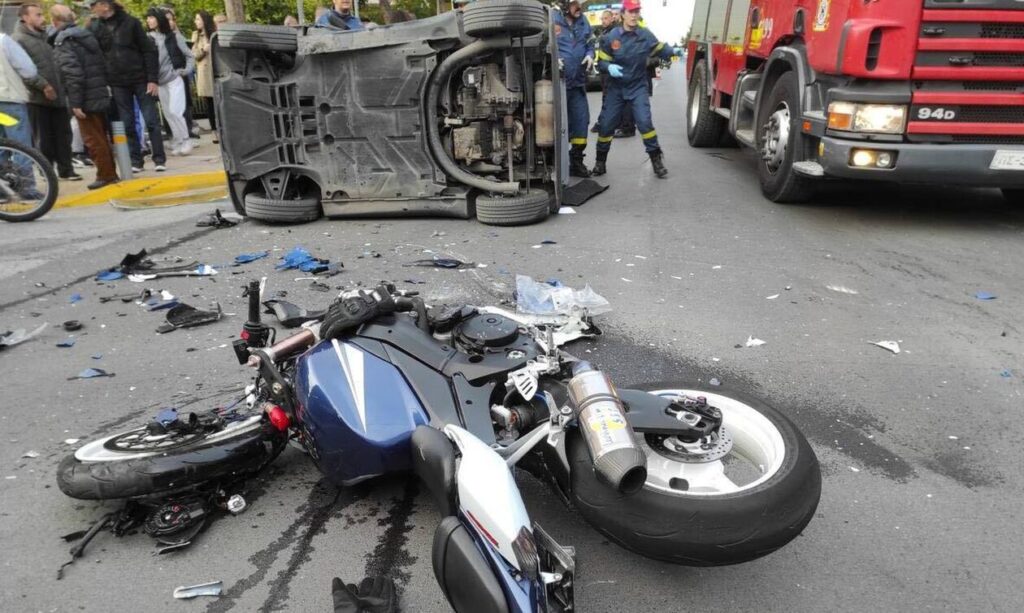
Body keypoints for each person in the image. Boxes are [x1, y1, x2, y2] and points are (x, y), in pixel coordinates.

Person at [593, 0, 678, 178]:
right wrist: (608, 67)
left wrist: (673, 51)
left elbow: (659, 48)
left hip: (638, 87)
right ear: (623, 14)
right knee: (606, 126)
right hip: (616, 89)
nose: (634, 15)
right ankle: (600, 162)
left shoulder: (645, 35)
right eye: (631, 12)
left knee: (645, 123)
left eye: (636, 12)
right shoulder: (612, 36)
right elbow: (601, 62)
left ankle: (656, 161)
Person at [87, 0, 167, 172]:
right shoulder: (95, 27)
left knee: (151, 120)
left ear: (105, 5)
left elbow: (148, 50)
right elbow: (96, 55)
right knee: (127, 123)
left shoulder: (131, 23)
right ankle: (136, 160)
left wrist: (152, 79)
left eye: (95, 4)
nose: (92, 8)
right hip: (117, 82)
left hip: (140, 79)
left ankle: (159, 159)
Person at [50, 4, 118, 190]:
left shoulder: (64, 41)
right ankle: (110, 172)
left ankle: (105, 175)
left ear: (54, 21)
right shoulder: (85, 35)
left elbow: (72, 74)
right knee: (101, 136)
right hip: (97, 91)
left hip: (85, 96)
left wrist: (75, 102)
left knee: (92, 139)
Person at [13, 2, 81, 181]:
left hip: (59, 95)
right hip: (37, 98)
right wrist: (43, 85)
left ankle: (67, 169)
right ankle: (47, 172)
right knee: (44, 139)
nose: (42, 18)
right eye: (37, 15)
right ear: (25, 17)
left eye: (42, 14)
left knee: (64, 135)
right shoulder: (18, 40)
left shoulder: (48, 36)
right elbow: (22, 70)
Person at [0, 31, 45, 199]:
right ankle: (25, 188)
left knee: (1, 146)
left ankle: (4, 188)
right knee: (21, 145)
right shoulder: (4, 41)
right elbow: (28, 70)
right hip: (9, 100)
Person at [145, 8, 194, 156]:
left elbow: (190, 55)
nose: (148, 20)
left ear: (159, 19)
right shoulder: (148, 38)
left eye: (151, 17)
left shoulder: (174, 36)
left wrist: (185, 70)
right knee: (168, 114)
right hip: (159, 82)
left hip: (174, 79)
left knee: (175, 111)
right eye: (147, 18)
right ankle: (178, 141)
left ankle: (187, 140)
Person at [553, 0, 593, 178]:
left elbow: (590, 43)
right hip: (559, 85)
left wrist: (590, 54)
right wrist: (553, 57)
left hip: (578, 84)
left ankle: (576, 161)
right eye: (576, 3)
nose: (580, 7)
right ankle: (554, 165)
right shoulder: (551, 19)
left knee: (581, 122)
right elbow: (541, 44)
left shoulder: (584, 21)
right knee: (557, 126)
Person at [192, 11, 217, 142]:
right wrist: (203, 50)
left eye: (198, 19)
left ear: (204, 20)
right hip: (205, 74)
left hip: (217, 70)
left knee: (220, 102)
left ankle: (223, 129)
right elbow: (193, 55)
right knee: (210, 104)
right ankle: (214, 131)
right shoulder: (196, 36)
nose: (196, 21)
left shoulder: (215, 33)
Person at [590, 9, 615, 133]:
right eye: (602, 19)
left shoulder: (613, 32)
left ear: (611, 19)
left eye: (605, 18)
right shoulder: (604, 32)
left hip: (610, 71)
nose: (603, 21)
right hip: (604, 70)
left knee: (607, 98)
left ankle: (602, 123)